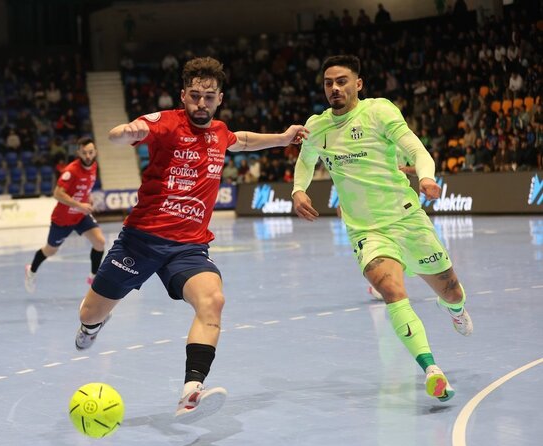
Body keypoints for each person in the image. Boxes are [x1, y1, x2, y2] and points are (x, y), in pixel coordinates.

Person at [74, 57, 308, 424]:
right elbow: (131, 131)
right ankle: (91, 327)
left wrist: (282, 138)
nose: (201, 103)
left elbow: (241, 141)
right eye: (195, 96)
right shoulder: (166, 123)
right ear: (183, 96)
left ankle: (191, 389)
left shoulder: (220, 132)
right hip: (141, 241)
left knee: (213, 300)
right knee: (90, 312)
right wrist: (126, 133)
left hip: (188, 247)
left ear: (219, 99)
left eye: (209, 97)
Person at [292, 55, 472, 403]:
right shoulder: (317, 126)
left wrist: (426, 177)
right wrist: (299, 189)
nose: (334, 88)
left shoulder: (379, 111)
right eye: (328, 83)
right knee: (391, 290)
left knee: (451, 290)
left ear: (358, 84)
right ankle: (431, 369)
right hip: (365, 229)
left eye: (342, 81)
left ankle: (454, 309)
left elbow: (415, 147)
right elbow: (305, 161)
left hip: (405, 218)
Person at [25, 137, 106, 292]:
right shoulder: (71, 171)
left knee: (100, 242)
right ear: (78, 153)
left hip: (80, 216)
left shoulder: (94, 166)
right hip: (62, 219)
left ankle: (93, 277)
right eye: (84, 153)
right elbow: (57, 193)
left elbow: (84, 189)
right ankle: (31, 270)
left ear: (95, 151)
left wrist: (88, 199)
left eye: (90, 152)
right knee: (50, 250)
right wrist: (79, 205)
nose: (88, 156)